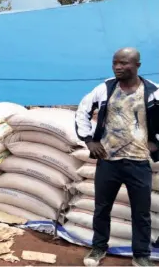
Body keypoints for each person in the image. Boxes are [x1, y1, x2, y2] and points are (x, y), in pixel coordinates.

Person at [76, 47, 159, 267]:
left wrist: (155, 143)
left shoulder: (153, 92)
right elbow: (82, 110)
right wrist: (89, 140)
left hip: (138, 162)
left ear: (137, 65)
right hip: (108, 161)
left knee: (141, 212)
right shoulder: (106, 88)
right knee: (102, 208)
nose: (118, 67)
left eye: (124, 63)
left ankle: (140, 255)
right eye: (115, 63)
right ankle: (98, 248)